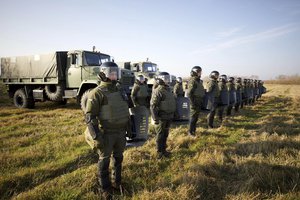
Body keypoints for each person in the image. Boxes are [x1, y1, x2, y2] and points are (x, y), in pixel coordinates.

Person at [84, 62, 131, 199]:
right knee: (104, 161)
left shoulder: (120, 91)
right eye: (111, 73)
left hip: (121, 132)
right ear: (103, 73)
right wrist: (96, 136)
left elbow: (125, 111)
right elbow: (90, 117)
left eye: (115, 73)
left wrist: (129, 129)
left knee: (118, 158)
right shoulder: (97, 93)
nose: (114, 75)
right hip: (107, 134)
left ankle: (117, 182)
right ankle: (105, 188)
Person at [150, 72, 176, 159]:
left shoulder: (169, 90)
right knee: (160, 135)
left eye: (168, 78)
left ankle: (164, 150)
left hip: (168, 116)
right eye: (165, 79)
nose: (167, 80)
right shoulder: (158, 91)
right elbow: (153, 105)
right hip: (161, 117)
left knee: (165, 134)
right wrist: (155, 118)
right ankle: (159, 152)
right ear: (160, 79)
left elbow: (171, 103)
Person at [187, 66, 205, 136]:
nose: (201, 73)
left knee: (196, 118)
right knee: (193, 118)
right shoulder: (193, 81)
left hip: (198, 102)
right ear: (195, 72)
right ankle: (190, 132)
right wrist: (193, 103)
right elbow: (189, 93)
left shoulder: (198, 81)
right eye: (199, 72)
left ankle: (193, 131)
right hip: (194, 102)